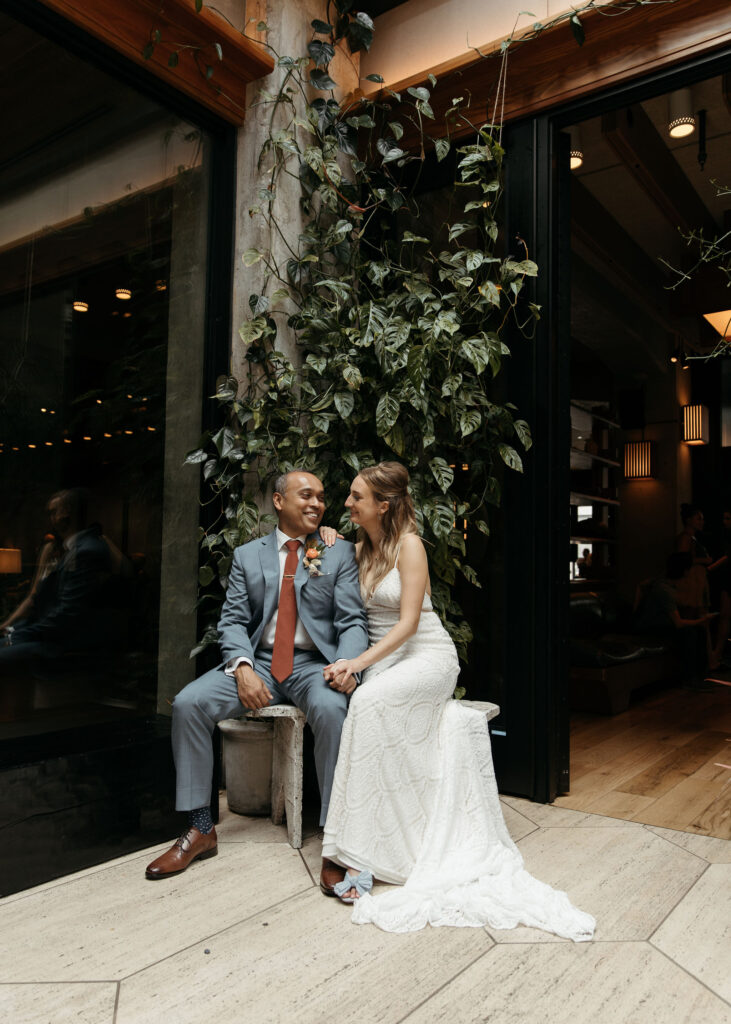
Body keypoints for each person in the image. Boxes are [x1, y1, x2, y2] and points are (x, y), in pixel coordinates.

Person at [319, 461, 595, 940]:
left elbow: (407, 625)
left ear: (383, 505)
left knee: (365, 705)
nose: (347, 503)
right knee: (371, 713)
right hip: (385, 659)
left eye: (356, 497)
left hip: (425, 655)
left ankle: (342, 853)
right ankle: (379, 842)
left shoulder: (410, 546)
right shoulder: (358, 546)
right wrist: (327, 541)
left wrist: (357, 666)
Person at [145, 471, 368, 883]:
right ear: (279, 501)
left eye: (321, 496)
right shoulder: (248, 555)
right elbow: (231, 622)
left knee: (334, 713)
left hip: (314, 665)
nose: (317, 503)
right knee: (190, 703)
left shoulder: (338, 553)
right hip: (259, 660)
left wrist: (348, 664)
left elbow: (352, 621)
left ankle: (337, 840)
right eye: (306, 495)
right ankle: (201, 828)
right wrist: (243, 668)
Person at [0, 489, 113, 672]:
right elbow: (39, 600)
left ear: (67, 512)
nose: (51, 518)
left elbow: (67, 614)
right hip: (51, 634)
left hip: (65, 644)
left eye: (54, 512)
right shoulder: (74, 549)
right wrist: (13, 629)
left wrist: (20, 634)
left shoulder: (85, 551)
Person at [634, 552, 715, 691]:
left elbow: (641, 585)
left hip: (660, 624)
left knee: (697, 631)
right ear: (685, 571)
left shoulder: (664, 583)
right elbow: (678, 623)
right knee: (689, 632)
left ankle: (701, 677)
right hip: (651, 627)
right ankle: (690, 680)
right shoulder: (664, 590)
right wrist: (702, 620)